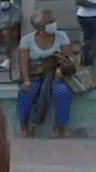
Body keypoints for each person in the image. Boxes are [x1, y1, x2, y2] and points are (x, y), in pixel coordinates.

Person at [15, 10, 74, 138]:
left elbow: (67, 59)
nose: (52, 24)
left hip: (54, 75)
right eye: (48, 22)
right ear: (39, 27)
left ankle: (59, 127)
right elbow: (23, 63)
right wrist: (26, 80)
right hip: (35, 75)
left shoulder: (61, 36)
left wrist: (61, 70)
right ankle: (24, 124)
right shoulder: (27, 40)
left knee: (62, 92)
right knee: (27, 91)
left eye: (52, 21)